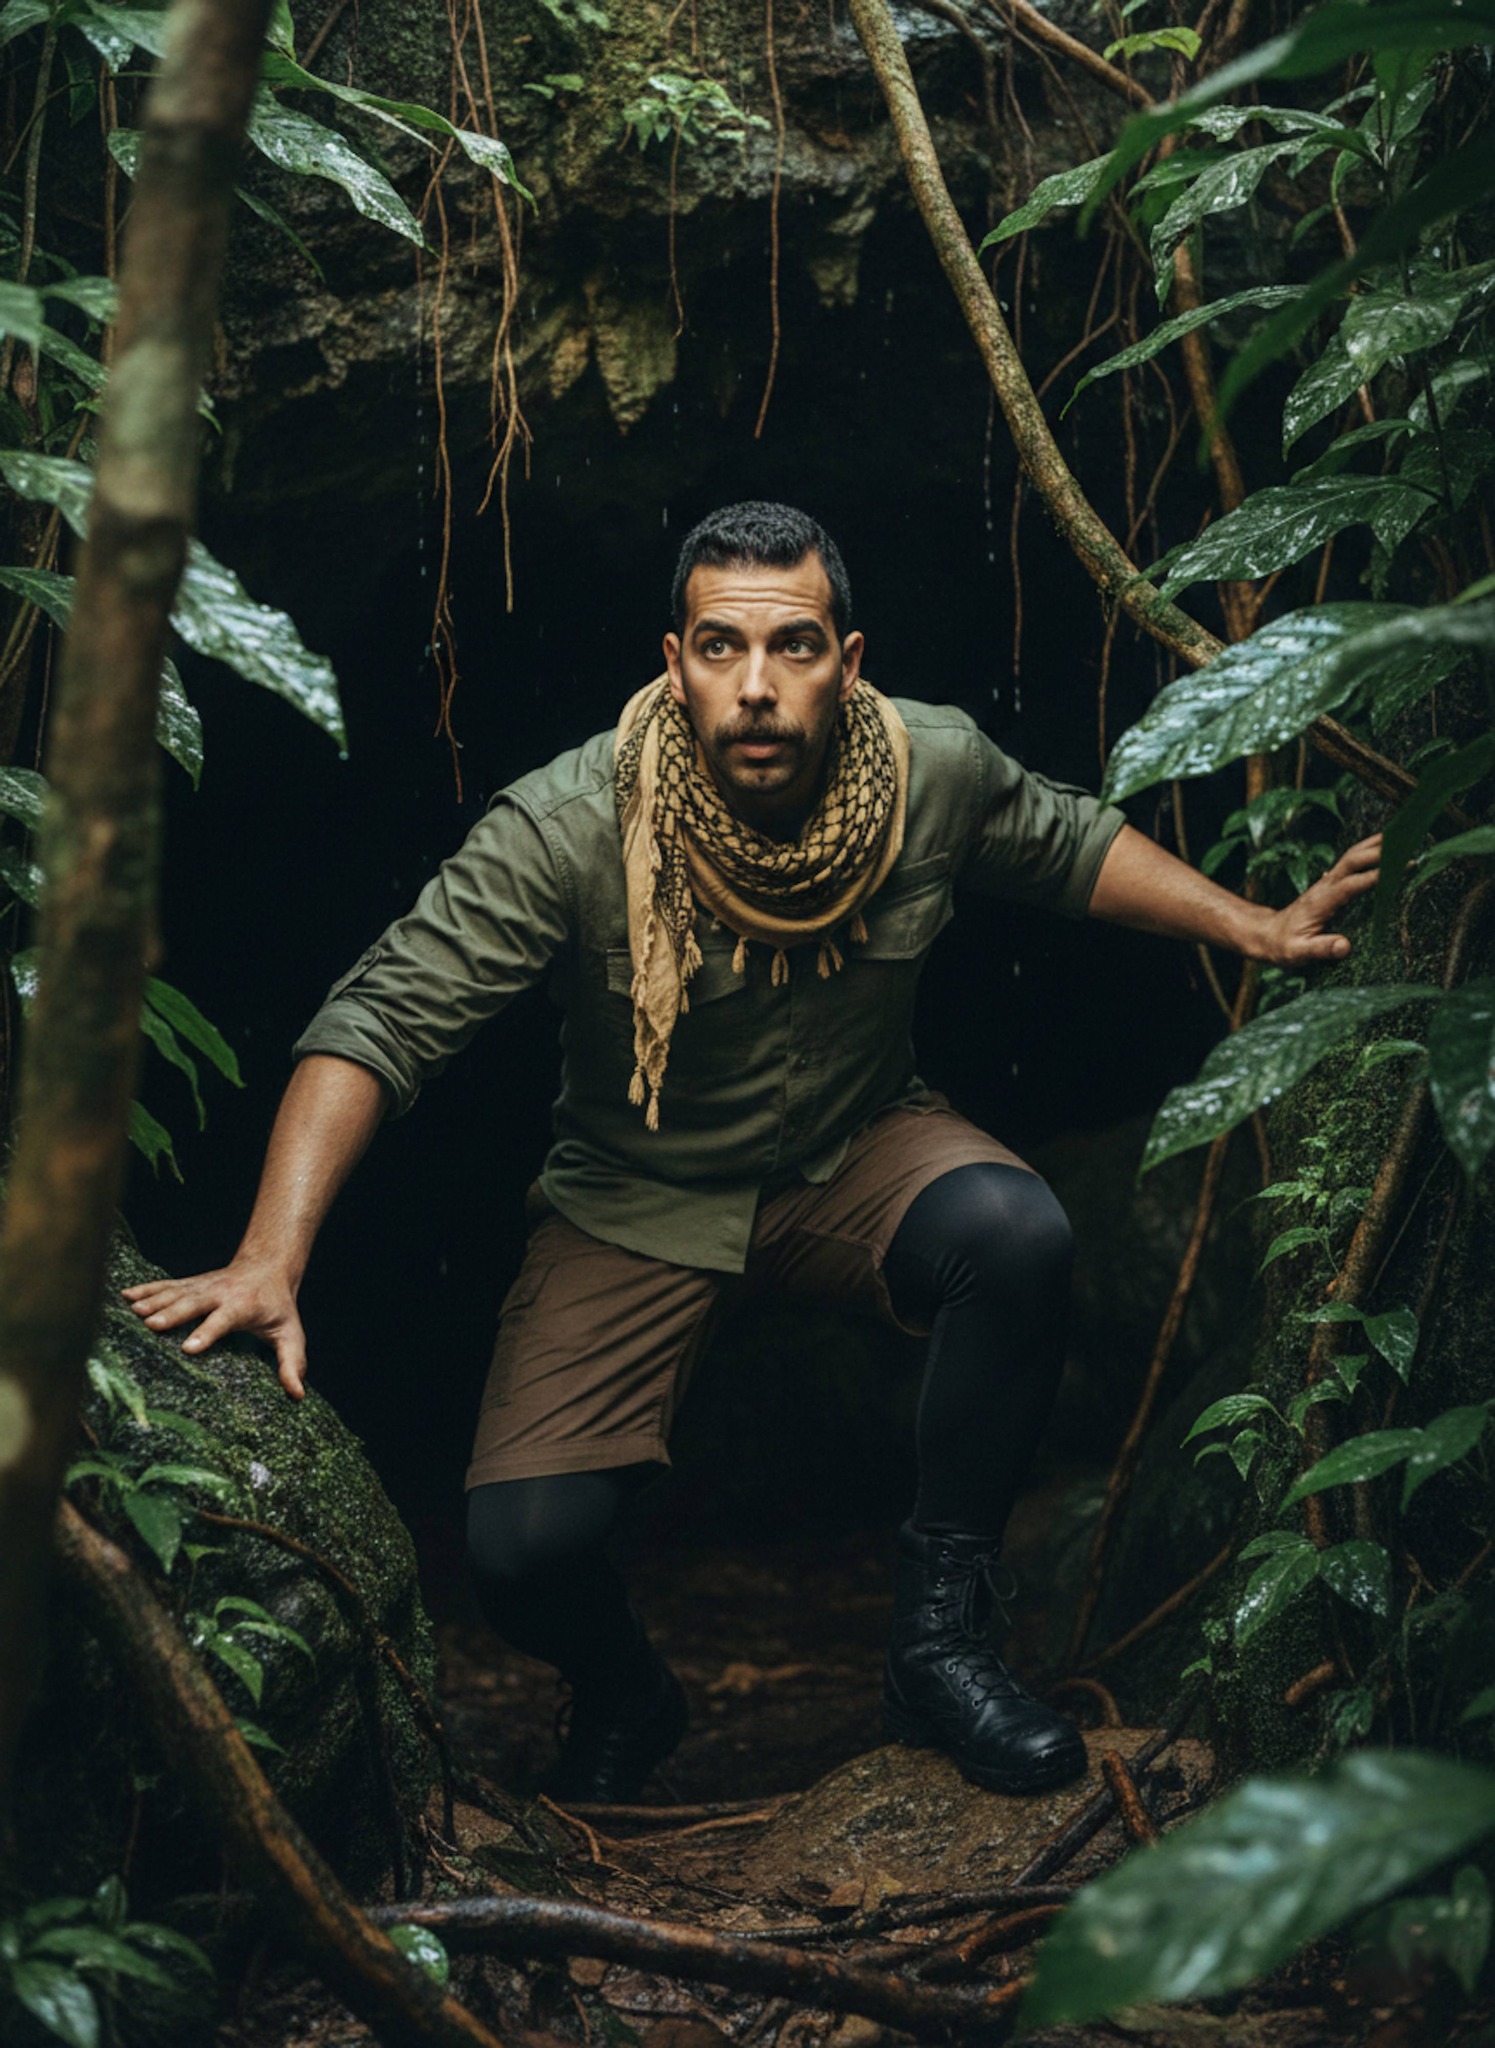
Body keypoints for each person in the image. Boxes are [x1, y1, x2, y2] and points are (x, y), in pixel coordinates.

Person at [124, 501, 1380, 1804]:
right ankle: (627, 1692)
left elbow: (1069, 846)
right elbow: (380, 1021)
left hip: (859, 1144)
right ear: (675, 664)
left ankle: (942, 1650)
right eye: (722, 647)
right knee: (522, 1552)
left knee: (1018, 1236)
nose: (758, 686)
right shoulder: (570, 822)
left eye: (794, 646)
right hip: (634, 1194)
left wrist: (1257, 928)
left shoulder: (930, 769)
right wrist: (270, 1256)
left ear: (849, 661)